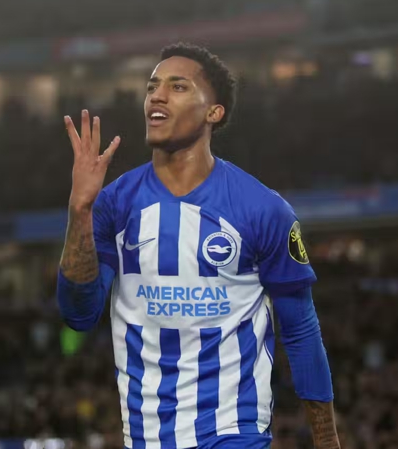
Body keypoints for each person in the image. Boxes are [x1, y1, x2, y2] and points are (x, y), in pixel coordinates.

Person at [57, 42, 339, 449]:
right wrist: (80, 212)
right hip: (145, 438)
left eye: (178, 86)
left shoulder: (262, 209)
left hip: (232, 434)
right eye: (152, 86)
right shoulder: (114, 205)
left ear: (214, 111)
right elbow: (78, 314)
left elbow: (300, 331)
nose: (156, 95)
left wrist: (327, 440)